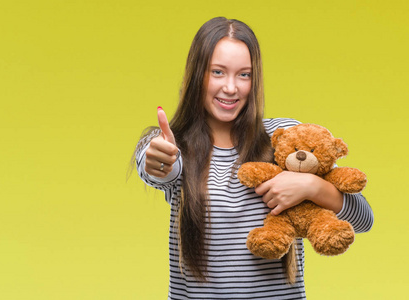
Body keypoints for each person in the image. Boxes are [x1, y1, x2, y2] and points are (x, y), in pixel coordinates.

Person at [133, 17, 373, 300]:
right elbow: (158, 167)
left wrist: (311, 186)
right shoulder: (174, 144)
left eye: (244, 75)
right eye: (218, 72)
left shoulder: (283, 139)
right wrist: (159, 160)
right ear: (197, 75)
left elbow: (363, 219)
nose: (231, 88)